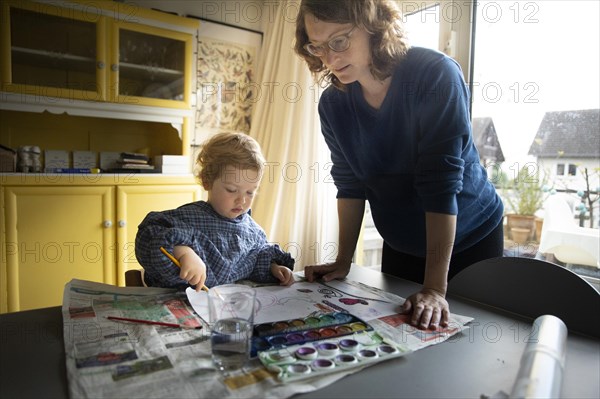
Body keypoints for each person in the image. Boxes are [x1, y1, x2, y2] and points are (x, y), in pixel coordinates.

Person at [294, 0, 504, 330]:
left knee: (470, 352)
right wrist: (343, 261)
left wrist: (435, 288)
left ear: (375, 26)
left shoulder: (435, 75)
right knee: (403, 340)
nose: (330, 59)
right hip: (401, 241)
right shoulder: (333, 104)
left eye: (339, 41)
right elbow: (350, 183)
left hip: (469, 237)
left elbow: (440, 184)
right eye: (318, 47)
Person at [135, 132, 295, 291]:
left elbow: (256, 258)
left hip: (223, 306)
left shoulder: (251, 231)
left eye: (250, 192)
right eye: (232, 190)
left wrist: (273, 268)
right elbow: (148, 235)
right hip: (178, 299)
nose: (242, 200)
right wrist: (182, 252)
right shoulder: (190, 217)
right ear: (207, 181)